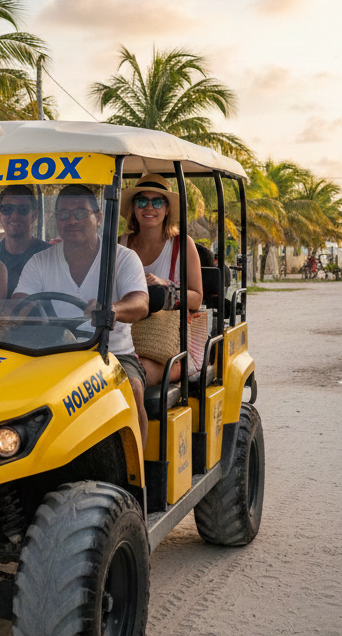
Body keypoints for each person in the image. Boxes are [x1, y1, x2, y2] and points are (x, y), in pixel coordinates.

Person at [13, 185, 150, 445]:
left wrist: (112, 309)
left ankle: (137, 475)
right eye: (64, 215)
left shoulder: (123, 257)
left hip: (112, 353)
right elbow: (20, 302)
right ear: (55, 221)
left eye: (79, 213)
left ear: (98, 217)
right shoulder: (40, 261)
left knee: (132, 388)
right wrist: (14, 313)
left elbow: (140, 303)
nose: (71, 220)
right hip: (53, 353)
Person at [119, 175, 203, 387]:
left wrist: (165, 286)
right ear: (133, 208)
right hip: (124, 335)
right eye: (142, 201)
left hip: (170, 345)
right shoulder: (122, 243)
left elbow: (196, 299)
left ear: (167, 209)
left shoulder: (182, 244)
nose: (149, 208)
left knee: (129, 380)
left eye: (157, 202)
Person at [0, 185, 51, 295]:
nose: (14, 215)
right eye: (7, 209)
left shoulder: (51, 256)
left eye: (23, 210)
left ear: (34, 215)